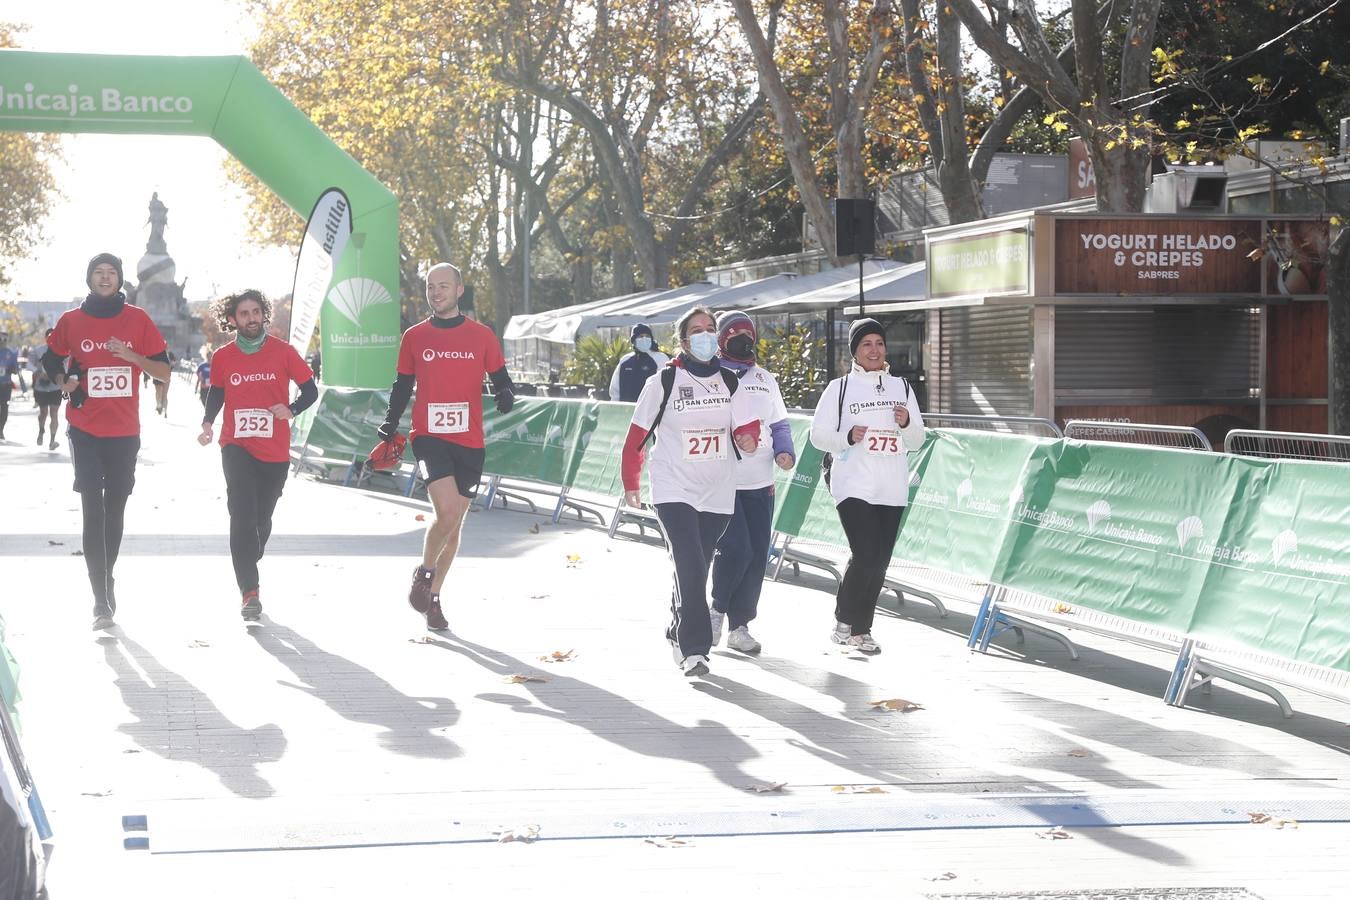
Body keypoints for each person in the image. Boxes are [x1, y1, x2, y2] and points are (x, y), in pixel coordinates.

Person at [620, 306, 760, 677]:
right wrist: (631, 481)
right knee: (688, 562)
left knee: (698, 564)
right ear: (683, 340)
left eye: (710, 329)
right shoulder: (663, 381)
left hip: (716, 488)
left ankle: (675, 626)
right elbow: (637, 437)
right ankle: (694, 650)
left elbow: (749, 428)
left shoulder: (730, 382)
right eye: (697, 330)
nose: (705, 335)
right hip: (672, 486)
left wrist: (748, 439)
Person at [376, 263, 515, 631]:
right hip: (429, 437)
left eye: (443, 286)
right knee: (448, 512)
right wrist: (391, 423)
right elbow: (402, 385)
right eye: (430, 286)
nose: (436, 292)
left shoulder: (482, 336)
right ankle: (424, 570)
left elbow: (500, 376)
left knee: (454, 527)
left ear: (458, 290)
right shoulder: (415, 337)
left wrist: (504, 393)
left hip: (470, 442)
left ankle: (433, 597)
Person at [44, 253, 171, 630]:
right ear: (89, 278)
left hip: (124, 431)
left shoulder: (138, 319)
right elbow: (51, 360)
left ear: (120, 279)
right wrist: (63, 383)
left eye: (111, 273)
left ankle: (107, 575)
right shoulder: (71, 320)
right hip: (83, 428)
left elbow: (163, 370)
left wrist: (129, 354)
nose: (104, 278)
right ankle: (100, 598)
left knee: (114, 511)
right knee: (92, 509)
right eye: (98, 272)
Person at [198, 290, 318, 621]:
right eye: (243, 313)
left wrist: (290, 409)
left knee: (260, 521)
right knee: (241, 513)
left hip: (274, 450)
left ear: (263, 315)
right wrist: (208, 423)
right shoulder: (223, 357)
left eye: (255, 312)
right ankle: (249, 593)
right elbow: (217, 393)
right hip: (236, 443)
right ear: (233, 319)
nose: (250, 318)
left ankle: (252, 548)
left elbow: (310, 390)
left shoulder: (284, 352)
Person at [809, 318, 925, 655]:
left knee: (880, 560)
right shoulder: (839, 388)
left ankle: (861, 630)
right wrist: (847, 436)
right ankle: (845, 618)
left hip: (891, 486)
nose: (874, 350)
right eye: (866, 345)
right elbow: (818, 435)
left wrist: (905, 423)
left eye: (879, 343)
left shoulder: (901, 388)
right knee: (866, 552)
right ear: (855, 352)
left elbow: (917, 440)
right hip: (852, 484)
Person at [708, 312, 795, 655]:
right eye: (735, 333)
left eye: (748, 333)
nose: (743, 337)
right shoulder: (710, 375)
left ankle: (740, 626)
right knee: (736, 549)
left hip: (761, 482)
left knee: (758, 554)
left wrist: (784, 452)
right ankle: (716, 610)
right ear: (721, 339)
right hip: (724, 480)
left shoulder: (765, 378)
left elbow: (780, 424)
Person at [608, 322, 670, 402]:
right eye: (641, 336)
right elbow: (615, 390)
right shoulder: (625, 360)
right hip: (627, 410)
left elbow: (667, 386)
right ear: (634, 340)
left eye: (647, 336)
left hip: (652, 411)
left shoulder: (661, 358)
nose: (644, 339)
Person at [31, 330, 63, 450]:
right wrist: (37, 371)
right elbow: (30, 363)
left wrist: (59, 376)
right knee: (43, 412)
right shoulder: (38, 350)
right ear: (45, 338)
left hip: (55, 386)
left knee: (54, 413)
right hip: (41, 387)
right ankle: (41, 431)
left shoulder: (62, 350)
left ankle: (52, 440)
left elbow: (66, 364)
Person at [0, 330, 23, 441]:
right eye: (0, 339)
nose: (2, 342)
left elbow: (16, 370)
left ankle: (1, 430)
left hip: (5, 385)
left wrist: (11, 370)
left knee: (4, 408)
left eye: (4, 339)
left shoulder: (10, 353)